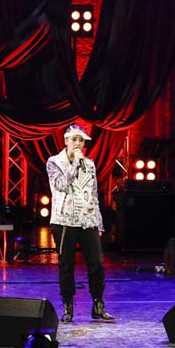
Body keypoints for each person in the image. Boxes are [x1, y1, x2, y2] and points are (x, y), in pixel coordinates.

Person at [46, 124, 114, 323]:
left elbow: (93, 194)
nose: (78, 143)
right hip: (64, 221)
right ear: (66, 140)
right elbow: (61, 185)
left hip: (87, 220)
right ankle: (68, 305)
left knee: (96, 263)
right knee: (66, 265)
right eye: (74, 139)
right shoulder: (54, 162)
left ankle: (98, 305)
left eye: (81, 140)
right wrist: (75, 163)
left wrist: (98, 222)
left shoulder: (90, 164)